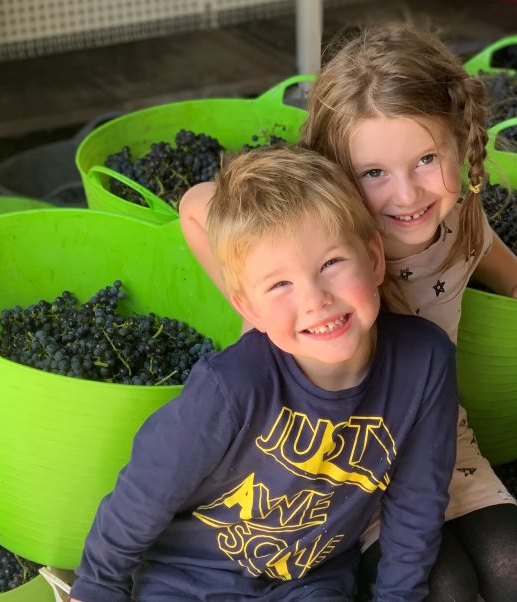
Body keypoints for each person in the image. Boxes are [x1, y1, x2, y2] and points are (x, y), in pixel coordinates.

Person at [179, 24, 517, 602]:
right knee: (447, 586)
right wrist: (265, 308)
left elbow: (481, 243)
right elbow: (196, 205)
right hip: (343, 458)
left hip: (439, 434)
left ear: (461, 144)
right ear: (336, 169)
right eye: (374, 173)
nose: (408, 195)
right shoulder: (318, 240)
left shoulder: (457, 214)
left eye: (426, 160)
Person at [70, 146, 459, 602]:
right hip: (191, 576)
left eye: (331, 264)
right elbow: (144, 491)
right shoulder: (230, 386)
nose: (315, 299)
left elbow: (416, 503)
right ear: (247, 307)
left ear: (374, 258)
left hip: (310, 581)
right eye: (280, 285)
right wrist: (98, 586)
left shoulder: (424, 362)